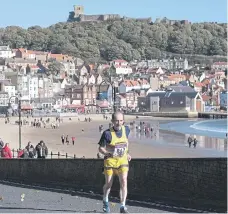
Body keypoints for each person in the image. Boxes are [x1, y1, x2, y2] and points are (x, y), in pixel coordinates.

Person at [98, 111, 131, 213]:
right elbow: (101, 149)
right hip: (110, 161)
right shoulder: (107, 134)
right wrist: (108, 154)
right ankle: (105, 200)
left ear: (123, 121)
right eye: (116, 120)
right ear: (112, 121)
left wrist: (127, 153)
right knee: (108, 184)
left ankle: (122, 206)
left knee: (124, 181)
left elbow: (126, 142)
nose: (119, 123)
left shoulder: (126, 130)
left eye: (121, 120)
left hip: (122, 160)